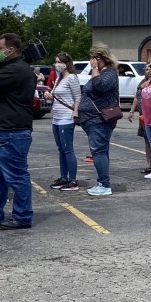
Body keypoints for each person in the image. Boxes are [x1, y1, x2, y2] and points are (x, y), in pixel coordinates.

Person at [0, 33, 35, 228]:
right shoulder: (15, 68)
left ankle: (22, 216)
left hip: (12, 131)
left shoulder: (17, 70)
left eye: (0, 49)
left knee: (16, 176)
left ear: (10, 50)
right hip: (2, 129)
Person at [79, 45, 120, 195]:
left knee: (99, 151)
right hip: (92, 120)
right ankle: (102, 181)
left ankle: (104, 184)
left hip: (100, 120)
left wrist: (95, 69)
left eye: (93, 58)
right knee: (100, 151)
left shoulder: (109, 73)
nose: (90, 61)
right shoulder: (99, 73)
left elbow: (100, 86)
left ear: (100, 58)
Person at [48, 52, 82, 191]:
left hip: (66, 118)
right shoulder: (58, 78)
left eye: (59, 62)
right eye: (55, 62)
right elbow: (57, 98)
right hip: (56, 117)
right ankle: (63, 177)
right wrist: (50, 97)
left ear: (67, 64)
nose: (57, 65)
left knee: (68, 149)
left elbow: (77, 97)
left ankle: (73, 180)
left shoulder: (72, 78)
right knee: (61, 149)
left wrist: (75, 113)